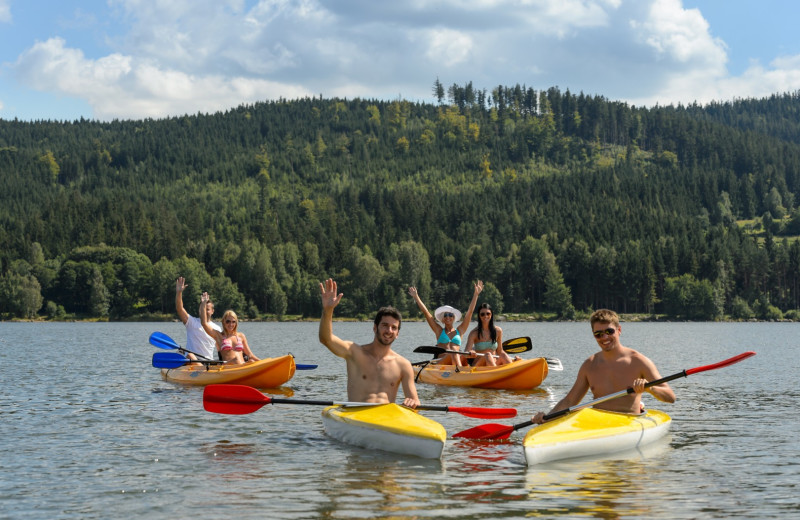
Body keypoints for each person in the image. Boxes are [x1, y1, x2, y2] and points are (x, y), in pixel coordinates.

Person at [531, 309, 675, 423]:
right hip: (598, 422)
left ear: (619, 330)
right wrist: (547, 417)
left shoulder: (639, 361)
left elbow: (670, 397)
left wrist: (650, 388)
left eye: (609, 331)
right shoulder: (589, 365)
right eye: (598, 334)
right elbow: (570, 401)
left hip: (630, 421)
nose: (604, 337)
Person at [318, 278, 420, 408]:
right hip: (356, 417)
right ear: (375, 327)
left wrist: (413, 402)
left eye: (394, 327)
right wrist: (328, 310)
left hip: (385, 420)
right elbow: (326, 339)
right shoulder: (353, 352)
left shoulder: (404, 365)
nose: (389, 330)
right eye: (384, 325)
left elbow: (414, 400)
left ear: (398, 333)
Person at [408, 281, 483, 368]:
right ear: (443, 319)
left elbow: (469, 313)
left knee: (459, 354)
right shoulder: (439, 330)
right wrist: (416, 297)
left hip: (456, 361)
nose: (448, 317)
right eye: (446, 315)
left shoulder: (460, 330)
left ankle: (463, 374)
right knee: (453, 353)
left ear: (453, 318)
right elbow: (426, 312)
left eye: (450, 315)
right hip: (441, 362)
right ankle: (460, 374)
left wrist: (476, 294)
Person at [199, 292, 260, 365]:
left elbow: (250, 355)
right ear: (224, 322)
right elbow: (204, 323)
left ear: (236, 323)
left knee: (251, 361)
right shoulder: (219, 336)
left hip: (243, 366)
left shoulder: (241, 336)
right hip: (228, 368)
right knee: (235, 360)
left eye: (233, 322)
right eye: (228, 321)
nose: (231, 324)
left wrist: (264, 362)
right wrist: (203, 303)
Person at [175, 276, 221, 361]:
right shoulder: (191, 322)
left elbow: (219, 348)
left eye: (207, 309)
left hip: (208, 362)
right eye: (202, 308)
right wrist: (179, 292)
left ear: (212, 311)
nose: (203, 310)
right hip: (191, 361)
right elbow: (179, 309)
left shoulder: (217, 328)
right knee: (190, 356)